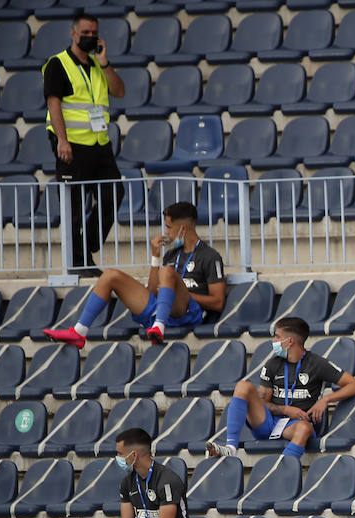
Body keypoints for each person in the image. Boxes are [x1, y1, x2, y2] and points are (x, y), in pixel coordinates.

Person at [42, 201, 227, 348]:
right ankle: (79, 332)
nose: (166, 233)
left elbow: (218, 303)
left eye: (169, 228)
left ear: (183, 229)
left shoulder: (209, 256)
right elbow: (152, 291)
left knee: (168, 272)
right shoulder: (170, 254)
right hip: (161, 310)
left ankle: (159, 327)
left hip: (186, 312)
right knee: (110, 275)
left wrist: (180, 293)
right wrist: (155, 257)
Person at [206, 317, 355, 461]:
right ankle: (230, 447)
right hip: (268, 421)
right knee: (243, 386)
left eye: (277, 336)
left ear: (290, 341)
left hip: (295, 424)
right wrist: (285, 409)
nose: (273, 341)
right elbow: (263, 403)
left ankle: (283, 469)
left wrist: (326, 399)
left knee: (304, 428)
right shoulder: (272, 363)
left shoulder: (317, 363)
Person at [43, 11, 126, 277]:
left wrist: (104, 62)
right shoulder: (58, 64)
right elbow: (53, 103)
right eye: (85, 33)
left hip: (99, 143)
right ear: (73, 33)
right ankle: (79, 261)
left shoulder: (96, 65)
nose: (90, 37)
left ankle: (84, 248)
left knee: (114, 193)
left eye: (94, 33)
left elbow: (119, 91)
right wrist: (62, 141)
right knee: (76, 206)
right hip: (72, 145)